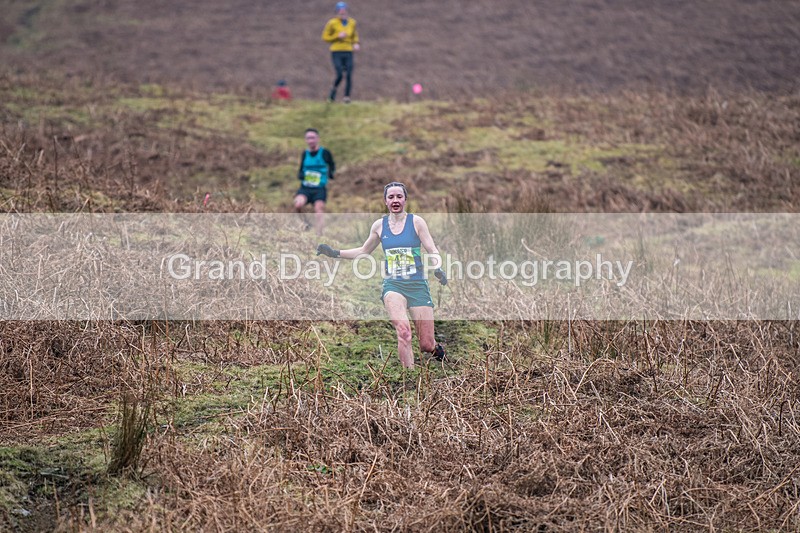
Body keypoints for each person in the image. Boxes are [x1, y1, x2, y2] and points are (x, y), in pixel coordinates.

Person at [316, 182, 448, 369]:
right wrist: (334, 252)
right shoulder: (379, 226)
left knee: (426, 344)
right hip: (394, 286)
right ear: (385, 201)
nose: (395, 200)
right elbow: (363, 251)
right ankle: (408, 379)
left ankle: (437, 350)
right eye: (391, 197)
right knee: (404, 333)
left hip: (418, 286)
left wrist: (438, 268)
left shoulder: (416, 222)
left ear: (405, 199)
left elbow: (432, 249)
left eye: (399, 197)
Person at [294, 128, 335, 236]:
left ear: (317, 139)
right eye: (308, 138)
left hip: (319, 188)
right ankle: (305, 223)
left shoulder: (325, 153)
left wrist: (331, 174)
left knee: (319, 211)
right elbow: (301, 167)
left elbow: (331, 164)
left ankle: (319, 235)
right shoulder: (305, 153)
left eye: (312, 138)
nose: (310, 140)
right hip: (305, 188)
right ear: (305, 140)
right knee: (298, 205)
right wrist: (300, 174)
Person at [321, 2, 360, 103]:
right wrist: (337, 36)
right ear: (337, 13)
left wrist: (355, 43)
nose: (343, 14)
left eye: (344, 12)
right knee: (339, 74)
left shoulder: (352, 22)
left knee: (349, 74)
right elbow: (325, 37)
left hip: (348, 51)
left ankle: (346, 97)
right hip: (336, 51)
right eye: (340, 12)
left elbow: (354, 35)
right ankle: (332, 93)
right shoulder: (332, 23)